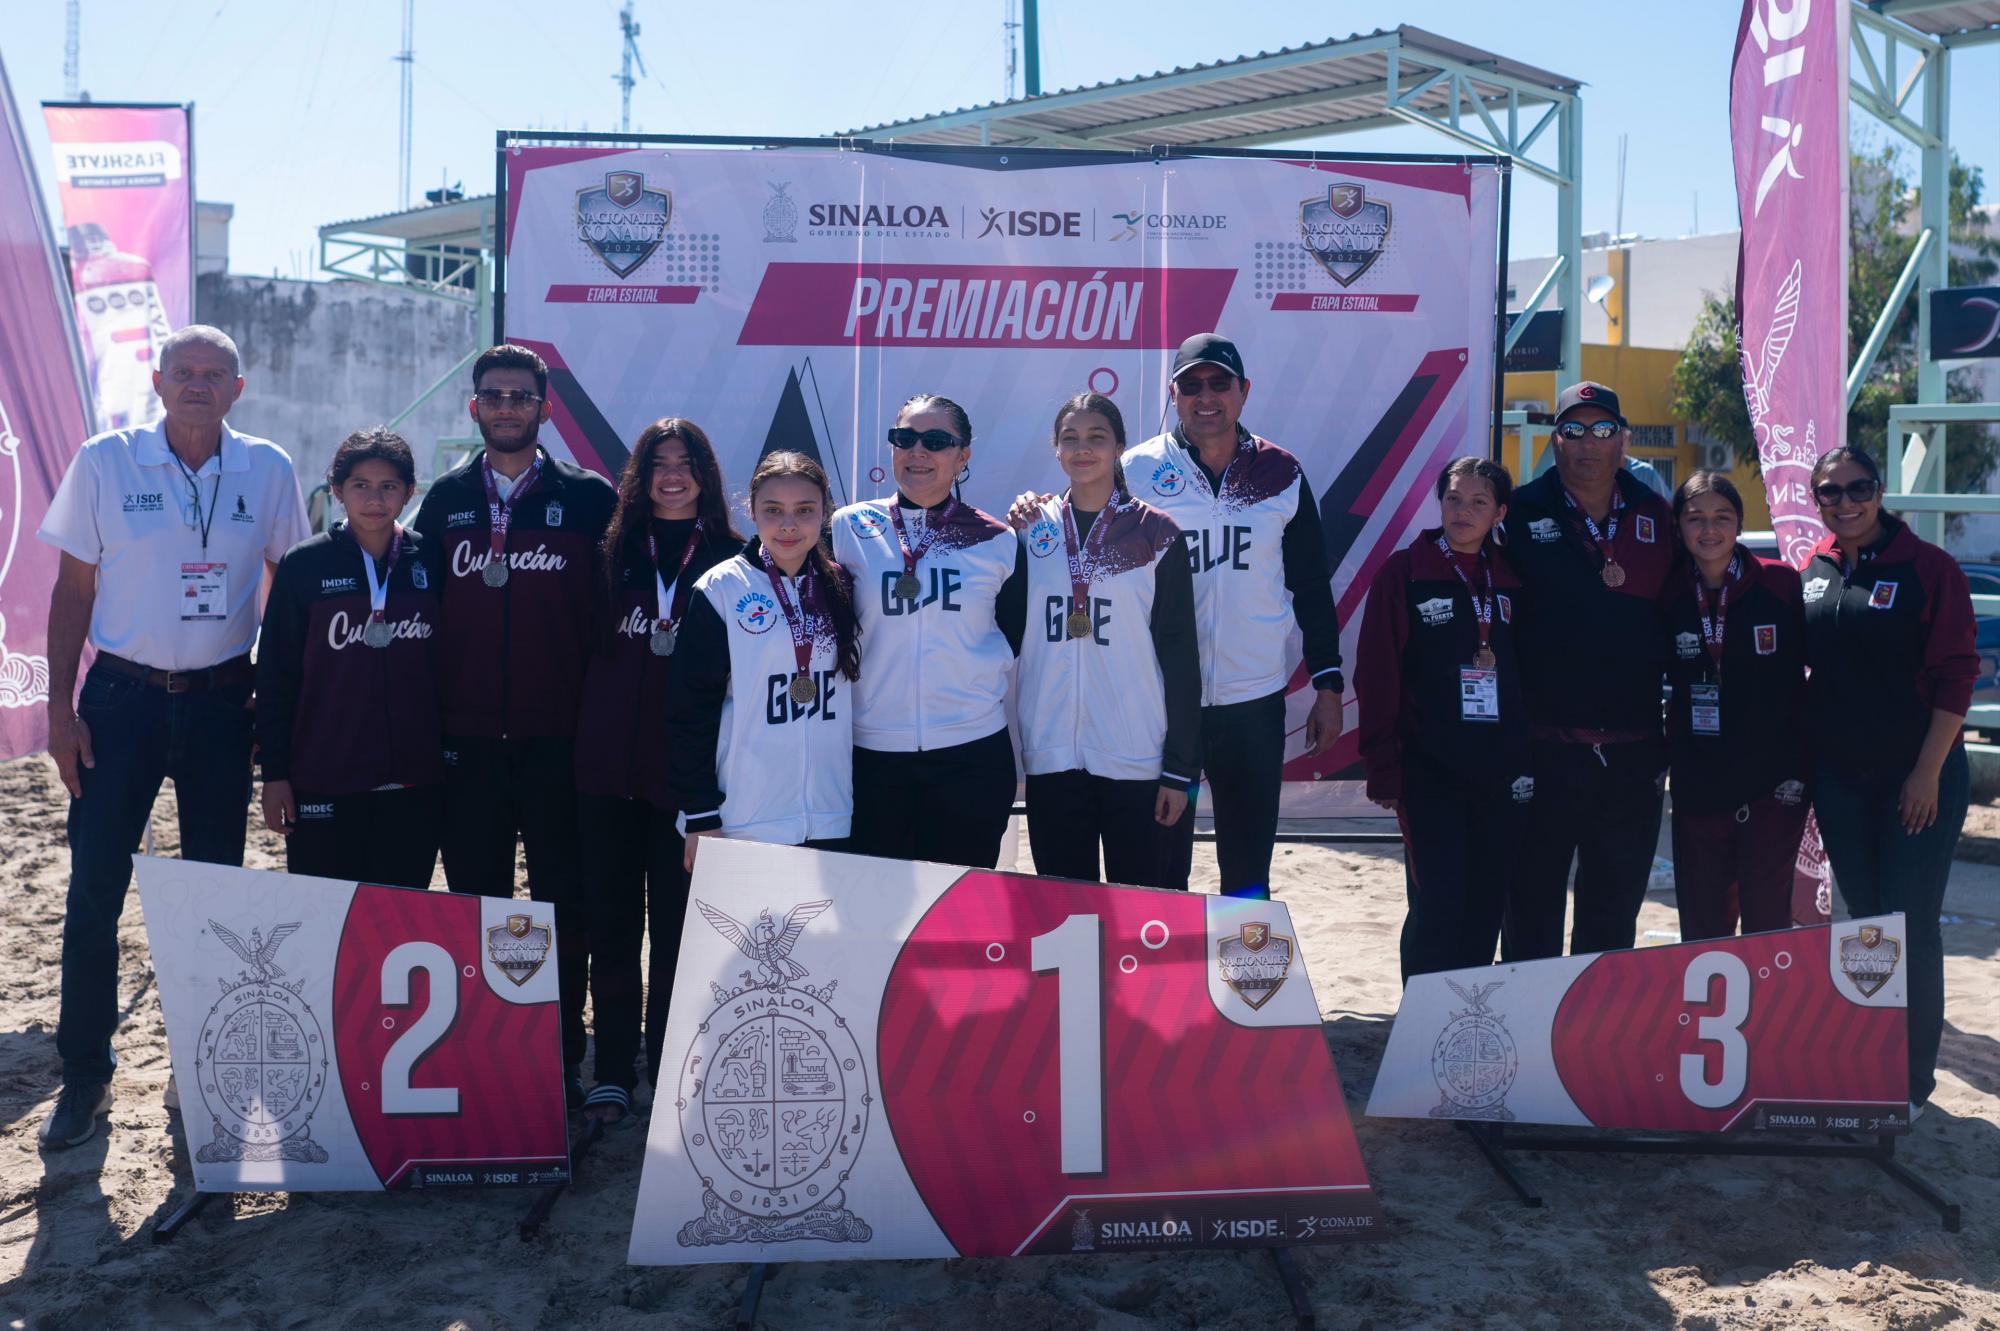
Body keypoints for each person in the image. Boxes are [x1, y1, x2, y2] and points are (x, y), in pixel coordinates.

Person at [36, 325, 309, 1151]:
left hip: (228, 702)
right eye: (183, 372)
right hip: (119, 701)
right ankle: (84, 1072)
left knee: (217, 897)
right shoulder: (105, 460)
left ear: (239, 386)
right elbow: (71, 591)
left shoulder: (269, 469)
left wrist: (279, 709)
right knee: (94, 892)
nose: (197, 384)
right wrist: (59, 710)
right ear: (157, 382)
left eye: (213, 373)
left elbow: (287, 587)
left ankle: (208, 1071)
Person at [411, 344, 617, 1110]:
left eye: (520, 396)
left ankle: (558, 1061)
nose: (506, 407)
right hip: (465, 747)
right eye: (493, 395)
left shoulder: (590, 499)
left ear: (544, 407)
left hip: (559, 743)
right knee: (480, 905)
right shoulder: (441, 502)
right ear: (474, 407)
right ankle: (488, 1058)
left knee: (563, 907)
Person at [1109, 333, 1346, 898]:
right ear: (1173, 394)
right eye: (1191, 385)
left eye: (1220, 383)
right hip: (1162, 703)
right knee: (1160, 873)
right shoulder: (1135, 469)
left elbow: (1310, 584)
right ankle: (1162, 987)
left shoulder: (1281, 472)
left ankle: (1244, 989)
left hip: (1251, 704)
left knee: (1247, 872)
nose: (1206, 397)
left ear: (1245, 391)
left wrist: (1329, 684)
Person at [573, 419, 743, 1123]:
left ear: (706, 473)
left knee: (679, 929)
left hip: (688, 784)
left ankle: (671, 1061)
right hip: (605, 773)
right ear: (638, 476)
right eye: (658, 464)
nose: (672, 475)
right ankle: (611, 1065)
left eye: (686, 462)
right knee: (610, 923)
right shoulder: (608, 554)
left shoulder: (736, 558)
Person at [1801, 447, 1977, 1118]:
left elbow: (1958, 675)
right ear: (1815, 498)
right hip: (1842, 780)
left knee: (1911, 924)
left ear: (1880, 490)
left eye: (1859, 487)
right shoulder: (1813, 571)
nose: (1846, 501)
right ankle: (1868, 1064)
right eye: (1830, 491)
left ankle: (1909, 1082)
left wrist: (1927, 771)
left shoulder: (1930, 567)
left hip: (1919, 779)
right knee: (1868, 928)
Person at [1502, 381, 1675, 960]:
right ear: (1556, 440)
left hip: (1633, 755)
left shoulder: (1656, 515)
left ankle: (1593, 1045)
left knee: (1612, 912)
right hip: (1545, 750)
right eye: (1573, 430)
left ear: (1624, 440)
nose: (1588, 444)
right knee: (1531, 909)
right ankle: (1530, 1039)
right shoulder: (1520, 512)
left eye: (1603, 430)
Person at [1356, 457, 1533, 982]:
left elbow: (1530, 676)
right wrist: (1383, 767)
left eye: (1479, 502)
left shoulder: (1514, 577)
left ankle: (1466, 1028)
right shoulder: (1406, 572)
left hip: (1500, 775)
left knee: (1484, 907)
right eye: (1454, 498)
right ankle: (1421, 1029)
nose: (1463, 511)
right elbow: (1377, 674)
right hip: (1428, 772)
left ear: (1500, 512)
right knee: (1439, 903)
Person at [832, 395, 1025, 868]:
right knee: (879, 922)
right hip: (872, 755)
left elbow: (1014, 638)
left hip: (971, 756)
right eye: (904, 439)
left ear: (963, 457)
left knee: (956, 924)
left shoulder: (997, 540)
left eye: (936, 441)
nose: (917, 451)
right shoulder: (847, 528)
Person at [1015, 393, 1199, 887]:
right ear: (1055, 449)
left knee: (1140, 917)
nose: (1083, 448)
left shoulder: (1157, 534)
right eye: (1070, 438)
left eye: (1097, 437)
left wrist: (1178, 769)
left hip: (1136, 757)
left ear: (1119, 446)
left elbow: (1180, 655)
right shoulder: (1029, 529)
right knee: (1065, 917)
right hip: (1053, 755)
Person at [255, 427, 444, 888]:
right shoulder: (305, 564)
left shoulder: (430, 561)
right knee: (327, 924)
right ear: (337, 490)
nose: (374, 499)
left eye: (388, 486)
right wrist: (275, 775)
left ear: (408, 492)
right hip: (324, 776)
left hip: (414, 781)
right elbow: (276, 676)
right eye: (360, 485)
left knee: (398, 921)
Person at [666, 451, 860, 863]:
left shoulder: (840, 585)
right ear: (751, 511)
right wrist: (701, 815)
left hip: (831, 818)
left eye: (804, 510)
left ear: (825, 512)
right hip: (742, 822)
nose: (788, 525)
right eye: (773, 510)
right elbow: (689, 712)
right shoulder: (720, 590)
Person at [1662, 472, 1808, 942]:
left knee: (1768, 919)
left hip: (1773, 785)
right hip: (1699, 782)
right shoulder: (1666, 594)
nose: (1709, 530)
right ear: (1678, 527)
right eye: (1695, 518)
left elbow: (1818, 674)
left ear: (1740, 524)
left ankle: (1772, 1016)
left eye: (1722, 517)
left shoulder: (1781, 584)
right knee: (1704, 922)